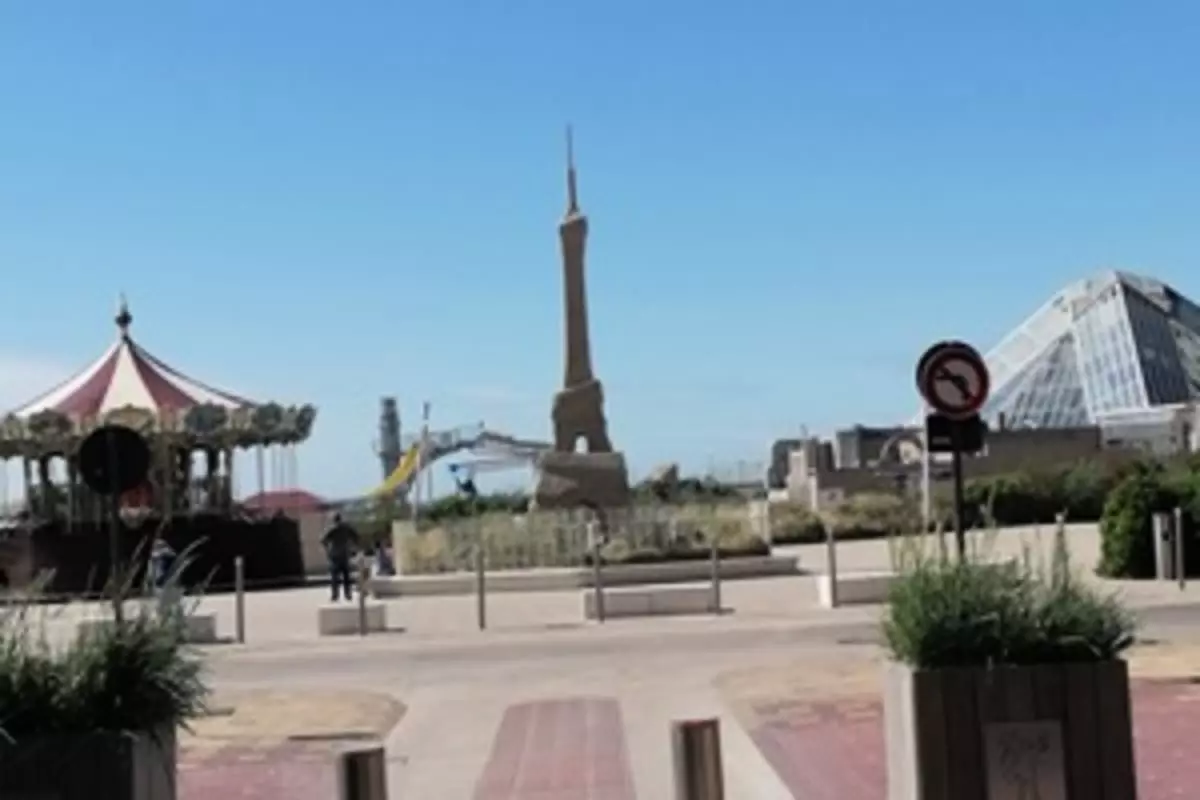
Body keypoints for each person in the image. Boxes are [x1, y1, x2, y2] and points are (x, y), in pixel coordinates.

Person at [321, 512, 360, 602]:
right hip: (344, 554)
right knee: (346, 576)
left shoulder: (332, 528)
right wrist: (353, 547)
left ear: (334, 520)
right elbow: (356, 536)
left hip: (335, 555)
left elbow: (323, 540)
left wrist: (327, 550)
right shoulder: (346, 528)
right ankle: (348, 594)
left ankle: (335, 595)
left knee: (335, 577)